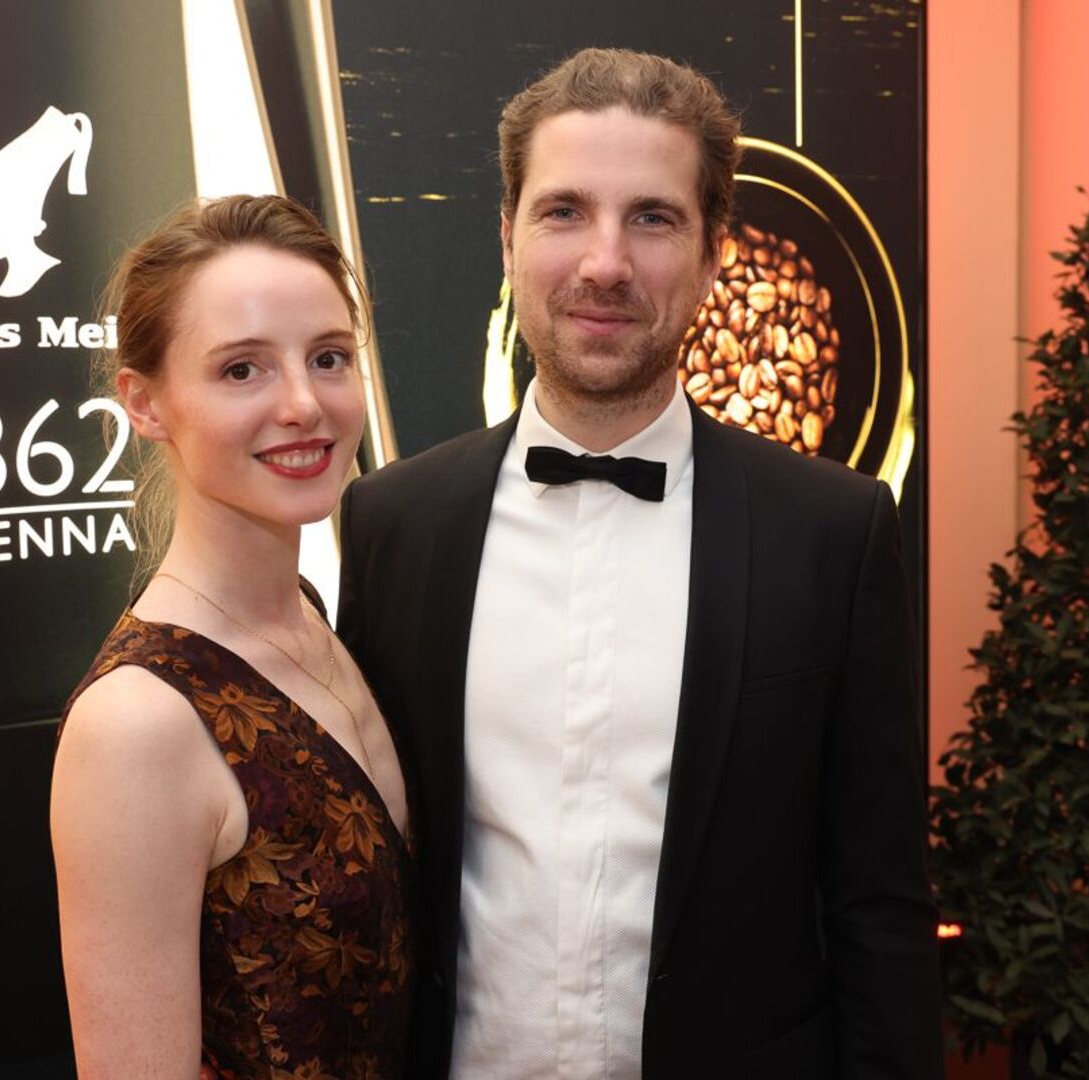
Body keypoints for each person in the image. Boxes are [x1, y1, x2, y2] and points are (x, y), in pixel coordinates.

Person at [336, 48, 942, 1077]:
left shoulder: (834, 533)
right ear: (507, 238)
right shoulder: (393, 521)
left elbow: (879, 902)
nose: (605, 263)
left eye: (653, 218)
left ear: (712, 255)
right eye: (563, 211)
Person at [51, 194, 411, 1079]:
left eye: (328, 358)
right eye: (242, 370)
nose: (304, 404)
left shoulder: (314, 620)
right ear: (145, 403)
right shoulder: (137, 724)